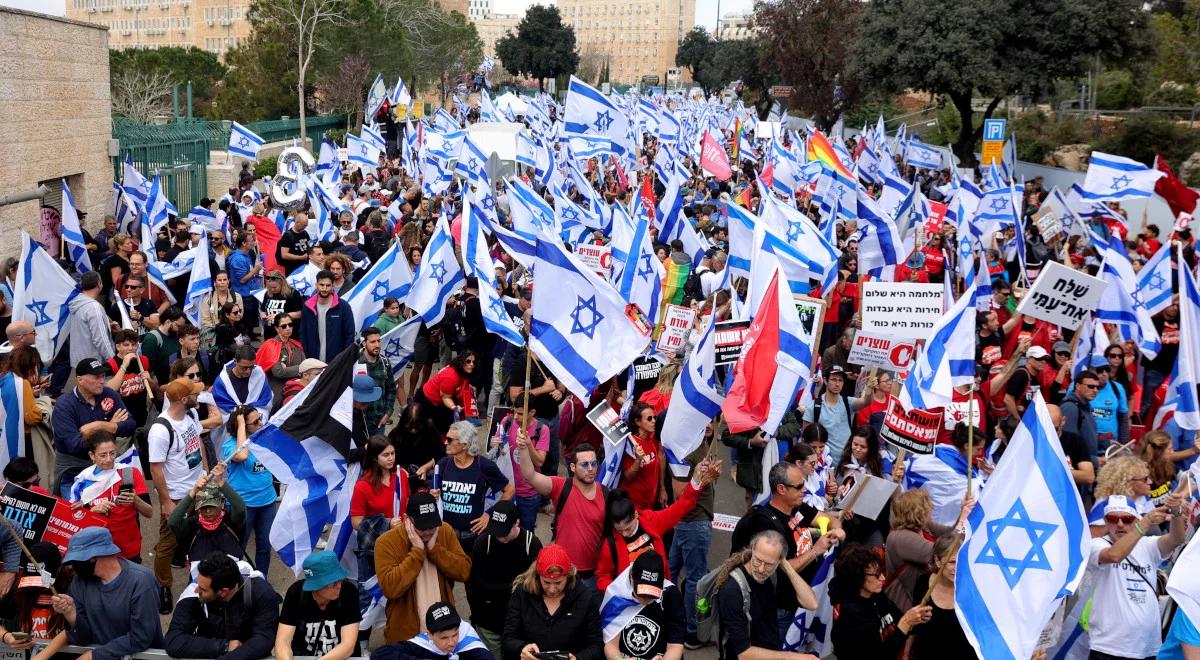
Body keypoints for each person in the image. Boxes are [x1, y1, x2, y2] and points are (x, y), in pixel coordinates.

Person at [730, 461, 844, 640]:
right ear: (781, 489)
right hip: (778, 608)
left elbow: (827, 518)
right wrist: (815, 550)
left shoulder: (796, 507)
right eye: (799, 487)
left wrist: (837, 529)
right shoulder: (764, 523)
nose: (804, 490)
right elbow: (777, 568)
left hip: (797, 603)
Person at [594, 457, 720, 592]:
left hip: (659, 593)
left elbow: (679, 508)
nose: (624, 534)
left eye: (628, 528)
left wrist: (695, 480)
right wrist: (617, 592)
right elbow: (603, 576)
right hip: (630, 602)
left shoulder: (651, 521)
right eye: (619, 530)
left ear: (636, 515)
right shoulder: (610, 544)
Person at [1088, 493, 1188, 659]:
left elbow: (1177, 539)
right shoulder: (1096, 544)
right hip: (1109, 647)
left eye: (1126, 519)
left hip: (1147, 646)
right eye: (1113, 518)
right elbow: (1114, 555)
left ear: (1135, 519)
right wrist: (1145, 523)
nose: (1119, 524)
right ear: (1105, 521)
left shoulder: (1147, 545)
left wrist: (1176, 512)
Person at [47, 527, 164, 660]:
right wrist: (71, 614)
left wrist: (95, 656)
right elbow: (82, 639)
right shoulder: (79, 582)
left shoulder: (142, 581)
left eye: (78, 560)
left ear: (95, 556)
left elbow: (141, 636)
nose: (74, 566)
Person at [375, 491, 472, 643]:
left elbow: (464, 572)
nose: (428, 531)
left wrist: (435, 550)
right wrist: (417, 552)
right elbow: (390, 588)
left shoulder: (444, 530)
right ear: (407, 519)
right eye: (422, 527)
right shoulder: (386, 542)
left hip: (443, 632)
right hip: (406, 636)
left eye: (432, 526)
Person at [149, 376, 208, 612]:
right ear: (184, 399)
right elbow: (156, 468)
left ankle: (196, 582)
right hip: (177, 496)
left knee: (198, 538)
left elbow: (198, 444)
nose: (199, 397)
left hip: (199, 489)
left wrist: (205, 471)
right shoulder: (161, 430)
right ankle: (163, 586)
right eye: (194, 394)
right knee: (167, 544)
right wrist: (166, 502)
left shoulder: (190, 416)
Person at [714, 530, 819, 660]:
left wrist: (786, 567)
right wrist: (792, 657)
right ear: (752, 549)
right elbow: (743, 653)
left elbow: (812, 604)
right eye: (758, 560)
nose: (761, 569)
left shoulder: (773, 575)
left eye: (769, 564)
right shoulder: (732, 590)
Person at [516, 441, 607, 583]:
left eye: (594, 464)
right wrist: (523, 448)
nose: (590, 468)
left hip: (593, 576)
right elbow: (530, 476)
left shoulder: (606, 494)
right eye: (584, 464)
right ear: (572, 467)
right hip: (563, 573)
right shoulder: (561, 486)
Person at [501, 543, 604, 660]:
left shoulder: (585, 598)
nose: (552, 589)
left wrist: (577, 658)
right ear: (537, 576)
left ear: (568, 576)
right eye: (546, 582)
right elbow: (508, 638)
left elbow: (596, 645)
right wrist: (521, 648)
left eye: (558, 582)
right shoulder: (522, 594)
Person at [465, 500, 542, 657]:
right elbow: (475, 586)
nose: (500, 536)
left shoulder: (531, 544)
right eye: (496, 531)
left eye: (504, 531)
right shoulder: (483, 542)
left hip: (521, 623)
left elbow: (536, 587)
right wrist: (477, 615)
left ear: (517, 523)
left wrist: (494, 589)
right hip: (488, 622)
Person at [829, 544, 933, 659]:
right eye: (877, 575)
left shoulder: (876, 595)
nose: (883, 578)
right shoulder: (849, 613)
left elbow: (897, 620)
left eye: (882, 572)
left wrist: (916, 619)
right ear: (857, 576)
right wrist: (906, 622)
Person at [51, 358, 135, 496]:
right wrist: (113, 426)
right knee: (76, 514)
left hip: (107, 463)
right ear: (80, 379)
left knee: (122, 504)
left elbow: (130, 426)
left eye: (103, 376)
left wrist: (99, 426)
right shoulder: (64, 405)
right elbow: (76, 446)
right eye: (96, 377)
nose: (102, 381)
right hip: (74, 470)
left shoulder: (108, 394)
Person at [67, 431, 152, 561]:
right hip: (96, 550)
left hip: (129, 548)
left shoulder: (129, 473)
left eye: (112, 453)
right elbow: (71, 519)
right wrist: (92, 511)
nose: (109, 459)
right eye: (103, 455)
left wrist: (135, 500)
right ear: (92, 455)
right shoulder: (82, 481)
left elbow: (149, 512)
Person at [883, 489, 973, 611]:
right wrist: (962, 520)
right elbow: (942, 553)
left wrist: (963, 512)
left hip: (924, 595)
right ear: (919, 511)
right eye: (928, 507)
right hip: (906, 604)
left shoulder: (925, 527)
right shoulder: (899, 537)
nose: (931, 510)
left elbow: (950, 535)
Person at [432, 420, 513, 550]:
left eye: (450, 439)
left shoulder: (484, 466)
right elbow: (434, 493)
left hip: (471, 536)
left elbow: (509, 490)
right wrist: (433, 494)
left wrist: (490, 514)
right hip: (444, 533)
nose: (445, 442)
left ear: (464, 444)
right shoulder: (443, 464)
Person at [274, 551, 361, 660]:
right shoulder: (295, 593)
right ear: (315, 586)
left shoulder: (349, 592)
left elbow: (348, 646)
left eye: (340, 579)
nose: (338, 586)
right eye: (332, 582)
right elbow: (283, 641)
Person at [601, 551, 686, 660]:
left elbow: (675, 645)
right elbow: (610, 643)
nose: (646, 600)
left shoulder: (671, 595)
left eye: (652, 595)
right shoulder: (618, 595)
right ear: (631, 577)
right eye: (642, 594)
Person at [222, 406, 276, 572]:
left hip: (267, 501)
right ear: (242, 427)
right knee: (238, 548)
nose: (261, 423)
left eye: (260, 418)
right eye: (255, 422)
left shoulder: (263, 440)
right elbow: (242, 456)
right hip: (243, 505)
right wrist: (241, 426)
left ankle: (261, 581)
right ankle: (235, 584)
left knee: (265, 547)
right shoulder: (229, 445)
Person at [906, 533, 976, 659]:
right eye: (952, 562)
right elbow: (914, 627)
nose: (958, 567)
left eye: (962, 561)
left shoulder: (972, 588)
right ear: (937, 561)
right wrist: (906, 655)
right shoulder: (923, 583)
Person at [168, 464, 247, 567]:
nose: (208, 511)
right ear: (199, 508)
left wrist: (220, 482)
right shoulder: (193, 525)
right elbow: (173, 522)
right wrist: (193, 492)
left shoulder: (230, 521)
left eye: (212, 506)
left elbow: (240, 508)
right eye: (204, 507)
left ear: (221, 504)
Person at [493, 394, 549, 531]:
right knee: (503, 531)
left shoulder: (542, 430)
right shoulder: (507, 422)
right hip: (506, 489)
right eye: (514, 412)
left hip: (528, 494)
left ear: (532, 412)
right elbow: (497, 452)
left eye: (520, 413)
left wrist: (528, 444)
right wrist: (496, 444)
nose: (516, 416)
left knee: (525, 532)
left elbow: (540, 462)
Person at [0, 542, 71, 648]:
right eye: (31, 580)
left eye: (41, 581)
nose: (35, 587)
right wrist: (6, 636)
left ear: (58, 570)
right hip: (29, 652)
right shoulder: (20, 588)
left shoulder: (72, 588)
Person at [373, 601, 494, 660]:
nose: (451, 642)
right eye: (444, 638)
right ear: (429, 634)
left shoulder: (469, 641)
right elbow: (379, 654)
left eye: (455, 634)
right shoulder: (424, 643)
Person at [802, 366, 875, 460]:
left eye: (840, 380)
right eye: (833, 379)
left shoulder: (848, 403)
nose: (837, 384)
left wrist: (870, 388)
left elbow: (867, 401)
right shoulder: (814, 407)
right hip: (823, 463)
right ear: (825, 380)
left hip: (846, 462)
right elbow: (806, 438)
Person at [299, 269, 356, 363]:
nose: (324, 288)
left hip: (336, 362)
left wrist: (344, 358)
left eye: (328, 285)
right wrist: (306, 357)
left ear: (333, 285)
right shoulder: (307, 306)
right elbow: (303, 333)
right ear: (316, 285)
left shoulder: (343, 307)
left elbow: (349, 335)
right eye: (322, 285)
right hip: (313, 361)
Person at [417, 352, 478, 435]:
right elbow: (445, 398)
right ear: (461, 361)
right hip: (427, 400)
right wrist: (454, 408)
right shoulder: (451, 376)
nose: (472, 364)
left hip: (441, 398)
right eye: (468, 361)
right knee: (432, 429)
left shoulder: (461, 371)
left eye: (473, 362)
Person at [105, 329, 154, 428]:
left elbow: (154, 389)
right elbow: (109, 390)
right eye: (126, 345)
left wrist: (150, 380)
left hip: (143, 414)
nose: (131, 348)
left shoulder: (144, 361)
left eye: (134, 345)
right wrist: (124, 365)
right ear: (118, 347)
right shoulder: (110, 365)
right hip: (121, 417)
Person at [255, 313, 305, 410]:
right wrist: (299, 368)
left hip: (296, 388)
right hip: (277, 390)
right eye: (284, 326)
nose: (288, 328)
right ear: (277, 329)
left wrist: (288, 369)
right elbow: (278, 372)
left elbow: (305, 369)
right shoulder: (270, 345)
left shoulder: (296, 345)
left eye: (290, 325)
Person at [622, 402, 664, 511]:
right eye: (649, 419)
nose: (654, 421)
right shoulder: (631, 443)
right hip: (633, 506)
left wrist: (662, 489)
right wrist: (638, 460)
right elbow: (628, 476)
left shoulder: (653, 440)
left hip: (650, 503)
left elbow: (659, 463)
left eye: (654, 417)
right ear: (637, 422)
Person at [67, 271, 116, 366]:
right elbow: (100, 339)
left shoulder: (76, 303)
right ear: (99, 284)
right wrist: (113, 361)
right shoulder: (94, 307)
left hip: (79, 362)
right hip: (95, 365)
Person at [360, 327, 398, 432]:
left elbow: (391, 389)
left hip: (379, 421)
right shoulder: (355, 362)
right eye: (372, 342)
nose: (377, 345)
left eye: (378, 341)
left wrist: (388, 413)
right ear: (364, 343)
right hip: (360, 421)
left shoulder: (385, 362)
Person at [260, 270, 303, 341]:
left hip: (288, 333)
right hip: (270, 332)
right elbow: (263, 309)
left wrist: (279, 316)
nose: (272, 290)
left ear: (282, 283)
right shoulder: (268, 294)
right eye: (270, 287)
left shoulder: (292, 294)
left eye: (275, 287)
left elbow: (299, 314)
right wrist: (263, 314)